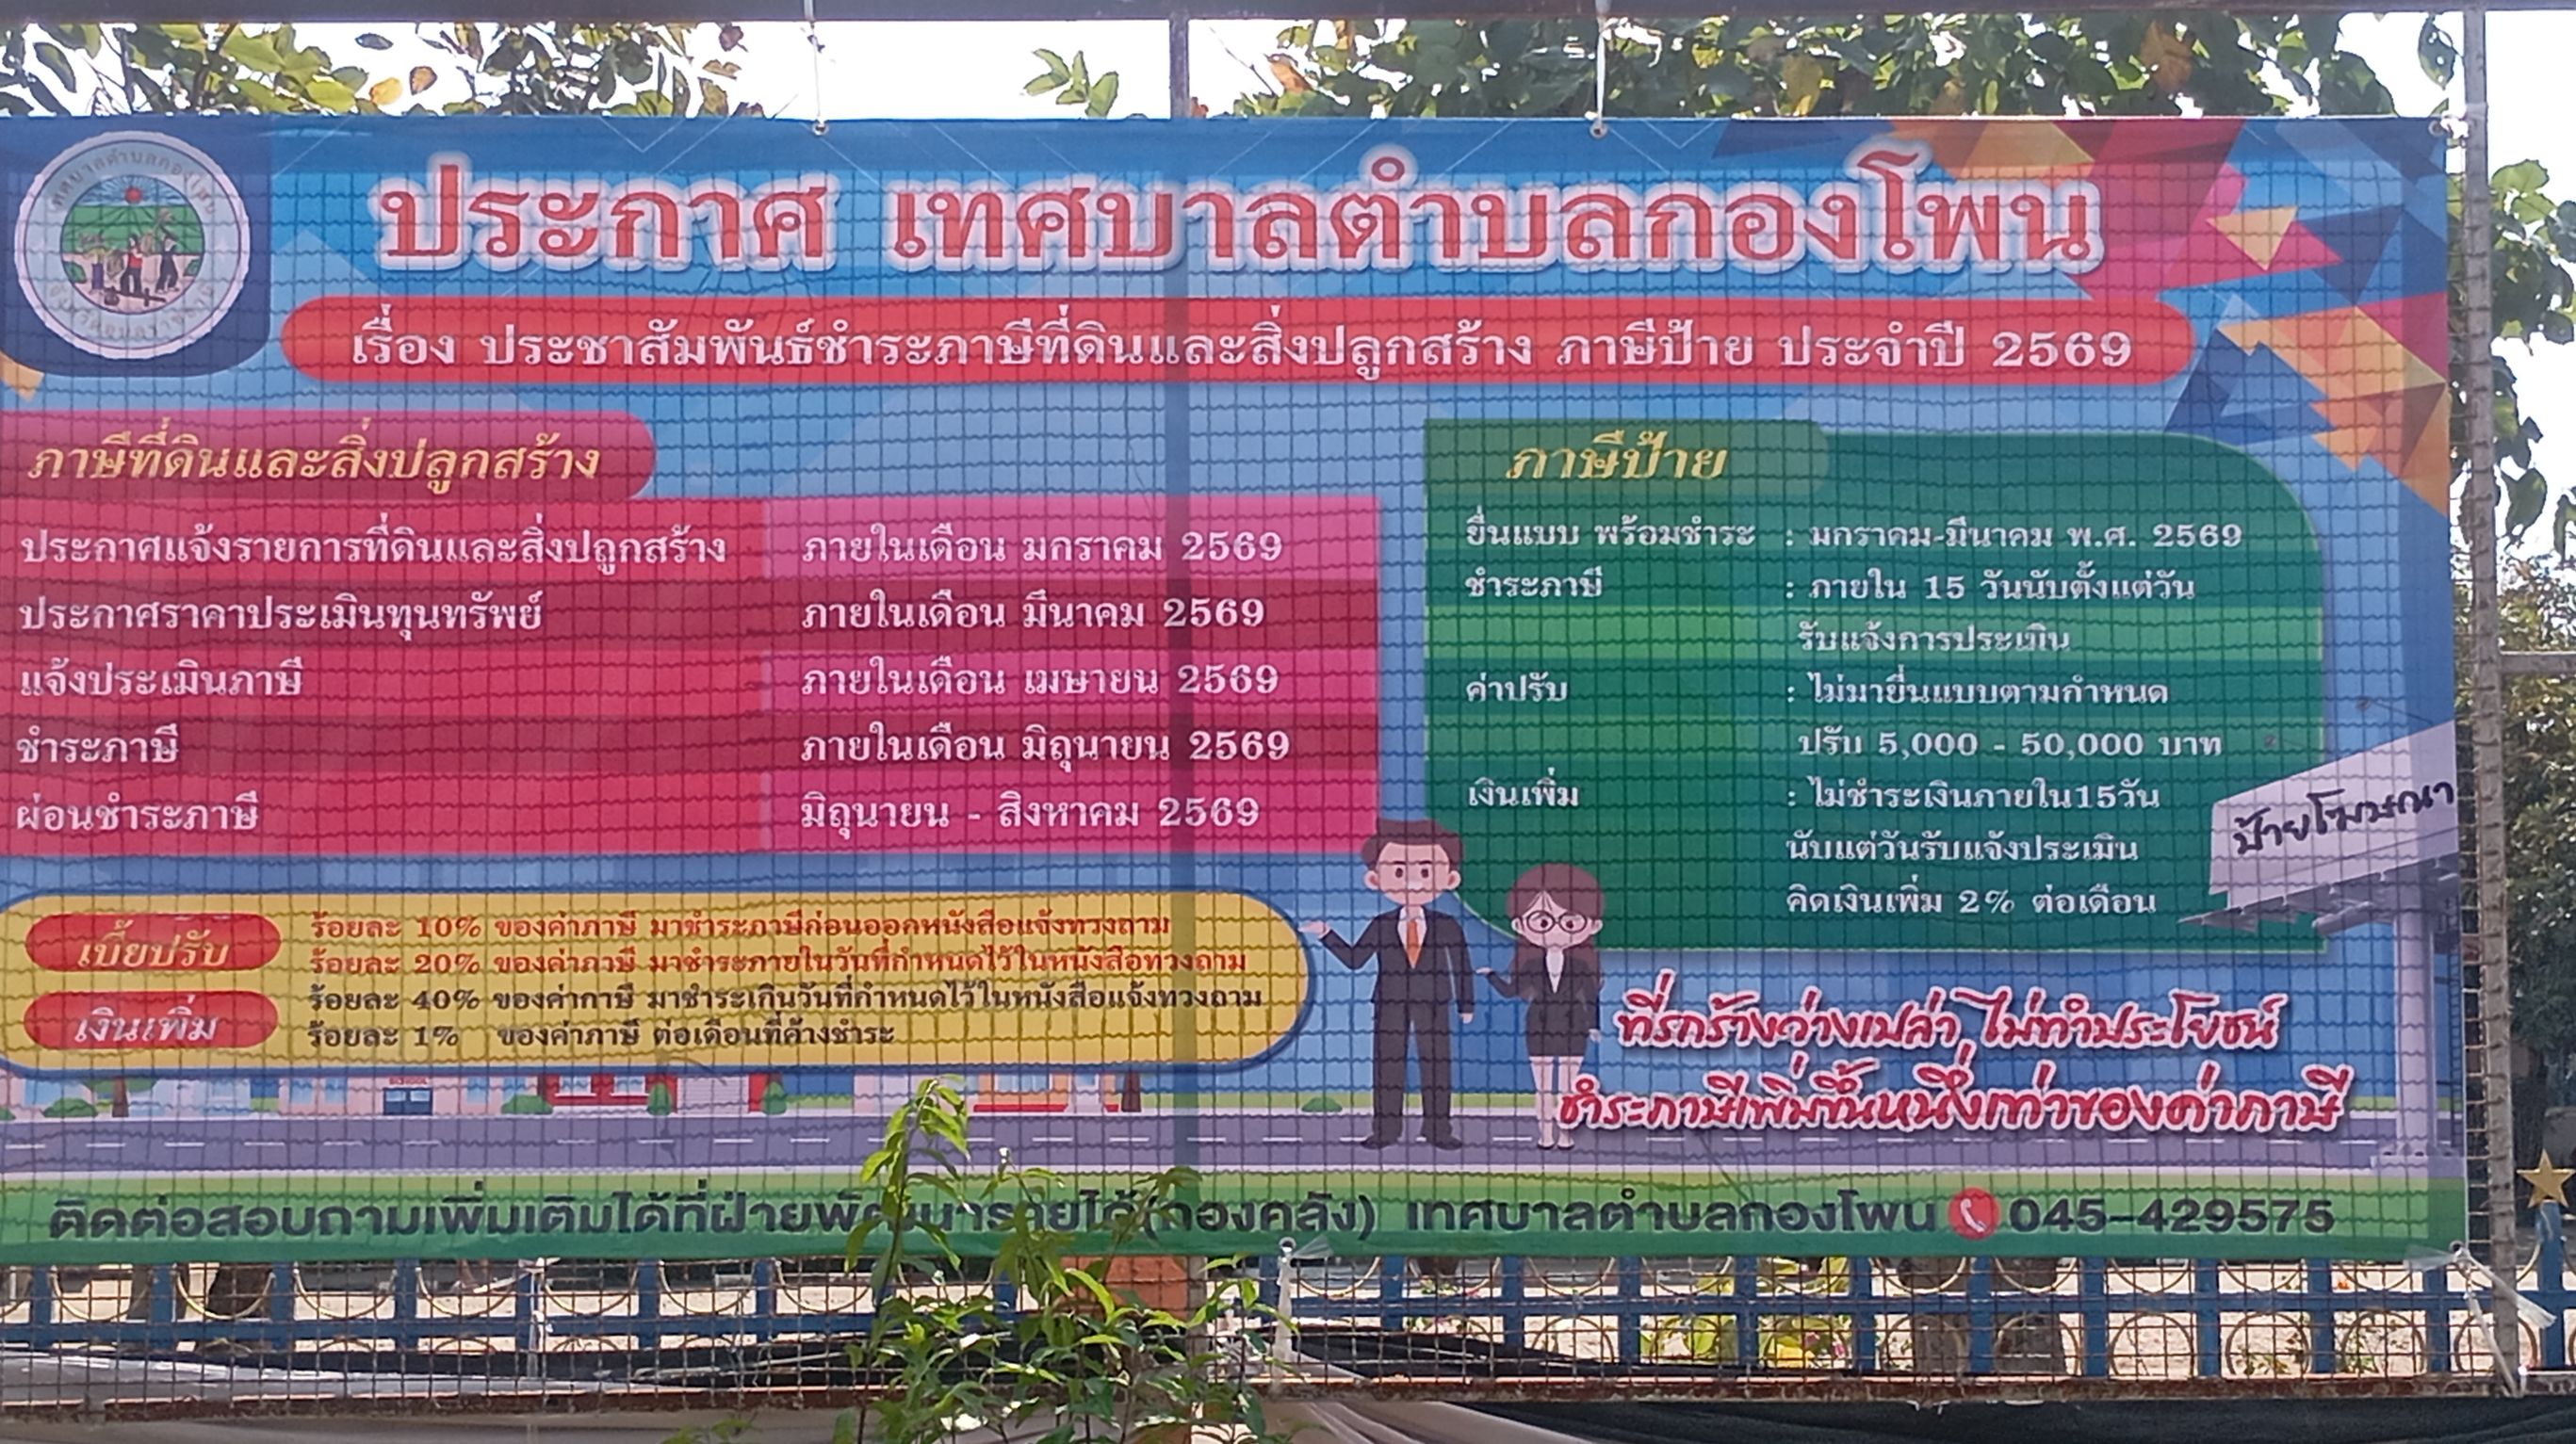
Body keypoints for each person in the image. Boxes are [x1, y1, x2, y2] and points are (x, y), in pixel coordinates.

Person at [1302, 819, 1475, 1150]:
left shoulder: (1447, 925)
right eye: (1398, 871)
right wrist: (1327, 933)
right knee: (1387, 1068)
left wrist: (1467, 1004)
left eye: (1425, 871)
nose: (1412, 880)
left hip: (1434, 1004)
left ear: (1450, 878)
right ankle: (1385, 1130)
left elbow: (1462, 966)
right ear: (1375, 878)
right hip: (1390, 1004)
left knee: (1437, 1068)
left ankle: (1438, 1129)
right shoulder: (1381, 924)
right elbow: (1355, 959)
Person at [1479, 864, 1606, 1151]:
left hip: (1574, 1028)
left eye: (1570, 923)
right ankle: (1546, 1135)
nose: (1557, 930)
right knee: (1543, 1087)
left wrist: (1594, 1026)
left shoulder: (1580, 966)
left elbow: (1591, 997)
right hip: (1539, 1027)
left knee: (1568, 1089)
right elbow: (1511, 991)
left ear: (1592, 926)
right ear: (1521, 926)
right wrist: (1491, 976)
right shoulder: (1532, 966)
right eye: (1544, 922)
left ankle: (1566, 1135)